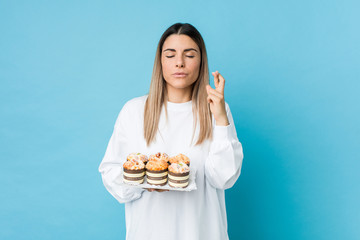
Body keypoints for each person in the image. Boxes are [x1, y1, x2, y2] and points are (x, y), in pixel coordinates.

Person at [98, 22, 244, 240]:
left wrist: (222, 120)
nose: (179, 63)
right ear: (160, 62)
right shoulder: (134, 111)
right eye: (170, 55)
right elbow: (111, 174)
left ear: (201, 61)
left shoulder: (216, 110)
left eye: (190, 55)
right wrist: (145, 182)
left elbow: (224, 179)